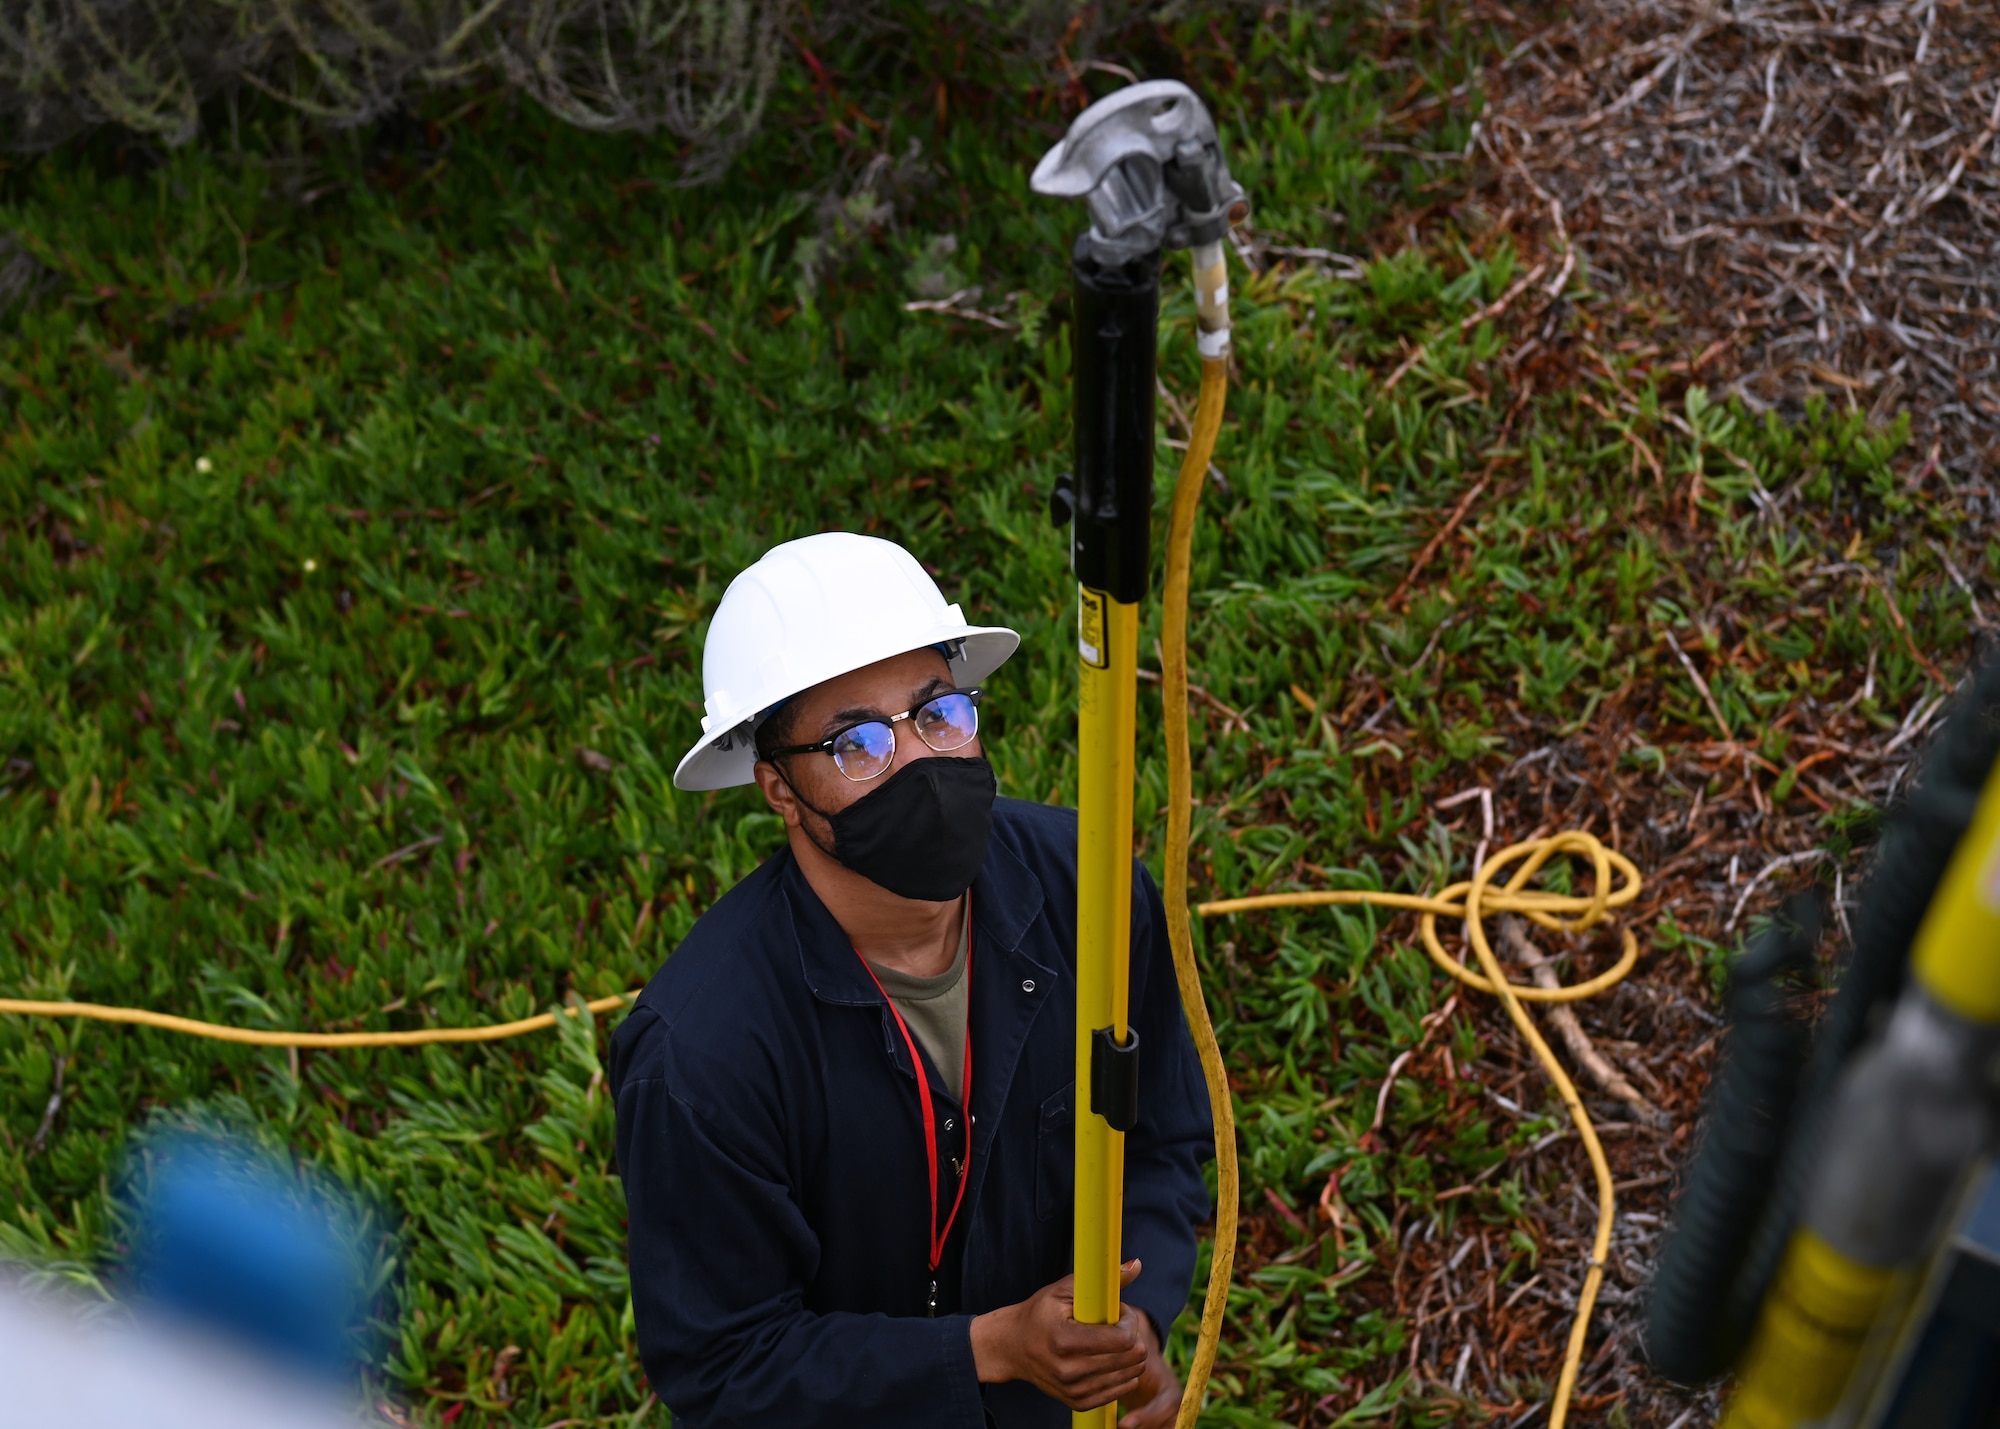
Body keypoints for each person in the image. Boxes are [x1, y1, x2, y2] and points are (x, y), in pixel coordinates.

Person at [610, 532, 1214, 1428]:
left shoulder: (1087, 889)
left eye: (940, 713)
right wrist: (989, 1348)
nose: (919, 764)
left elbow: (1162, 1139)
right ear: (779, 787)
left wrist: (1134, 1317)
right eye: (856, 741)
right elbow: (727, 1363)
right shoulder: (703, 1055)